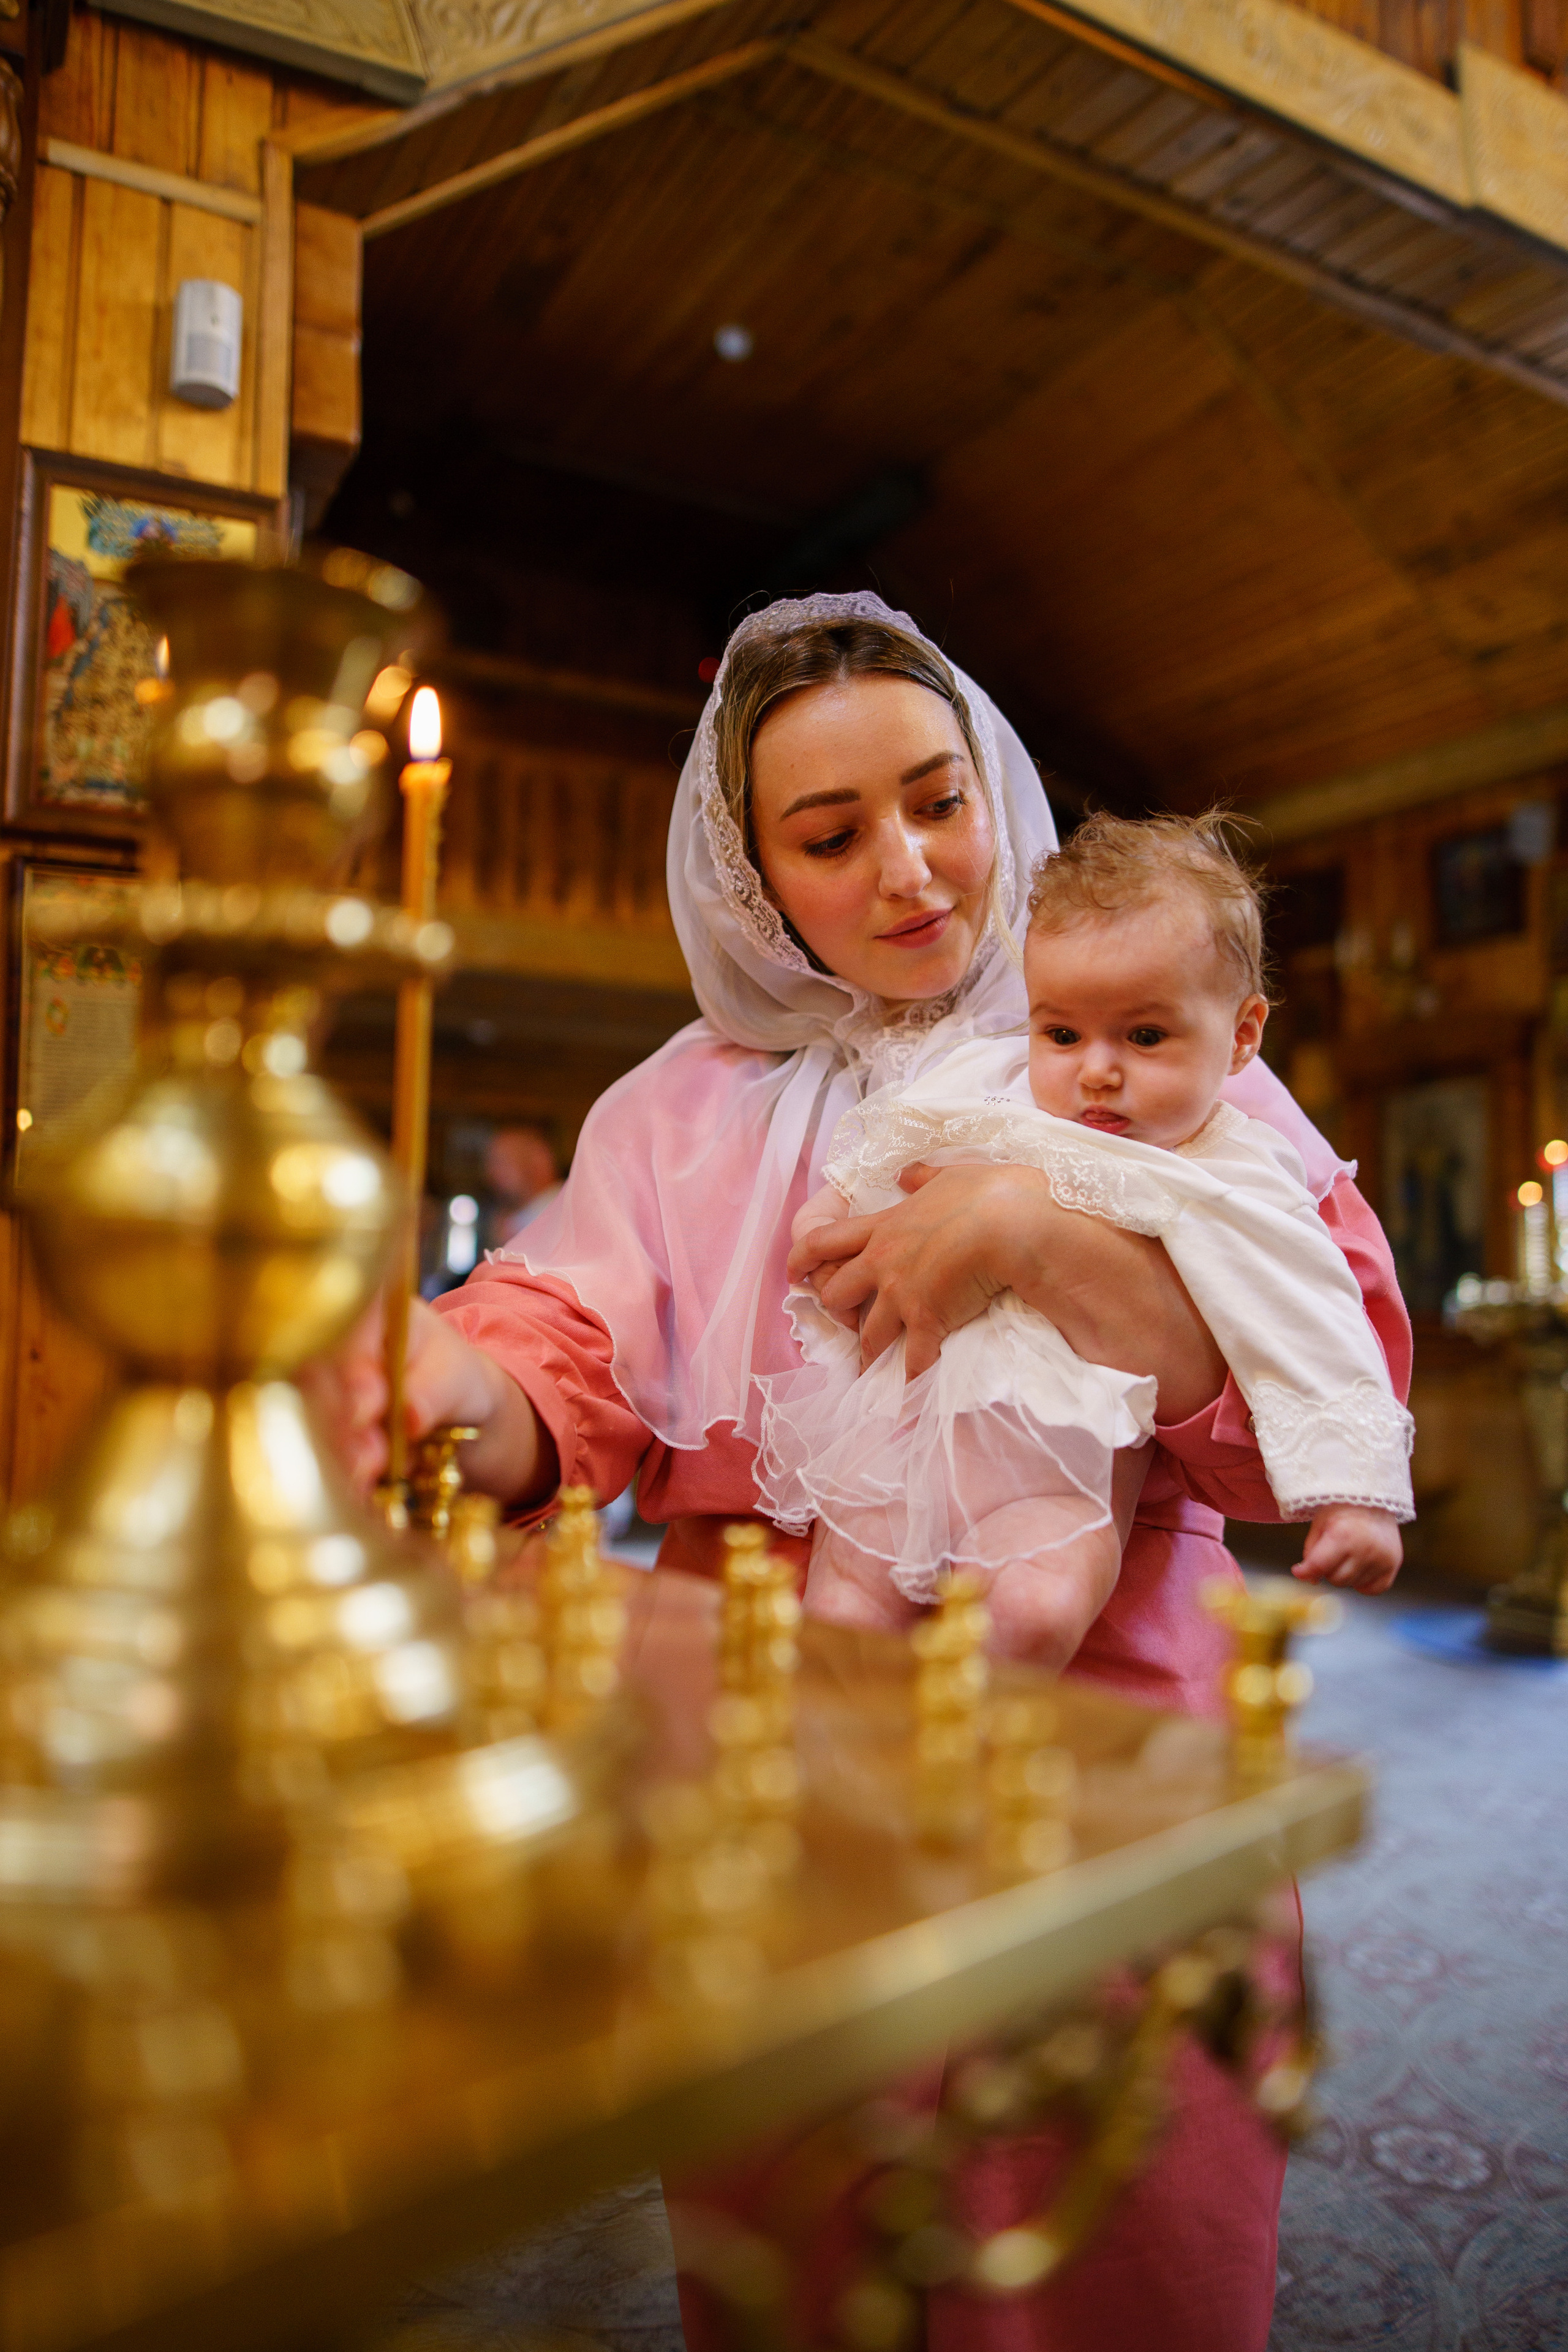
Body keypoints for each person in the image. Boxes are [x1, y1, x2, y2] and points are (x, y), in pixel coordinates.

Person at [314, 592, 1411, 2352]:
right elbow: (561, 1364)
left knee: (1115, 2197)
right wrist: (434, 1373)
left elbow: (1323, 1360)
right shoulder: (674, 1111)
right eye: (832, 836)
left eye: (938, 799)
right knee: (816, 2226)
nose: (911, 869)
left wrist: (1029, 1232)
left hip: (1106, 1706)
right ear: (757, 879)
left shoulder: (1131, 1028)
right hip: (778, 1726)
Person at [764, 811, 1411, 1661]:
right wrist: (834, 1206)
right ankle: (859, 1774)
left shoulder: (1237, 1170)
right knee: (842, 1615)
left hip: (1058, 1460)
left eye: (1144, 1036)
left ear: (1244, 1034)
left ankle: (987, 1773)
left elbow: (1310, 1314)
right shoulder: (996, 1078)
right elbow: (904, 1125)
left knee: (1033, 1610)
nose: (1096, 1068)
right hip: (903, 1423)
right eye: (1061, 1032)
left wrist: (1357, 1495)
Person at [484, 1123, 562, 1247]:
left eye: (503, 1162)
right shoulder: (514, 1222)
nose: (492, 1174)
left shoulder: (563, 1216)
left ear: (540, 1160)